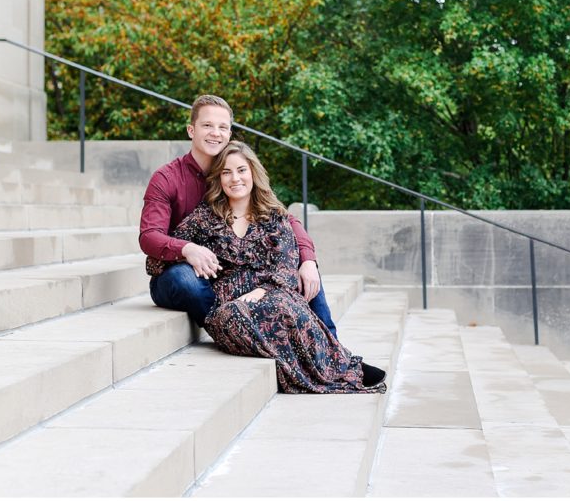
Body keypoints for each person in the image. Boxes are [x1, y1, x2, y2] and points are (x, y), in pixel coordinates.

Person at [167, 140, 386, 393]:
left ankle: (341, 365)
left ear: (253, 173)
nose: (234, 178)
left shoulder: (274, 216)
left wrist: (262, 291)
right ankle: (337, 368)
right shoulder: (203, 217)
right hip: (229, 304)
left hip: (271, 291)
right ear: (218, 178)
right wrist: (190, 253)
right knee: (240, 314)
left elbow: (285, 263)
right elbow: (161, 256)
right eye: (226, 172)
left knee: (283, 305)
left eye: (241, 170)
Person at [140, 95, 338, 338]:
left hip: (229, 273)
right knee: (186, 279)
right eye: (207, 125)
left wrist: (308, 259)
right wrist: (187, 249)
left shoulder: (234, 170)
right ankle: (233, 332)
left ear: (230, 133)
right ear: (191, 130)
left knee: (302, 267)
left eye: (222, 127)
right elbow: (149, 237)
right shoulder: (167, 178)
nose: (215, 133)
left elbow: (283, 219)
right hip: (182, 273)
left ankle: (334, 346)